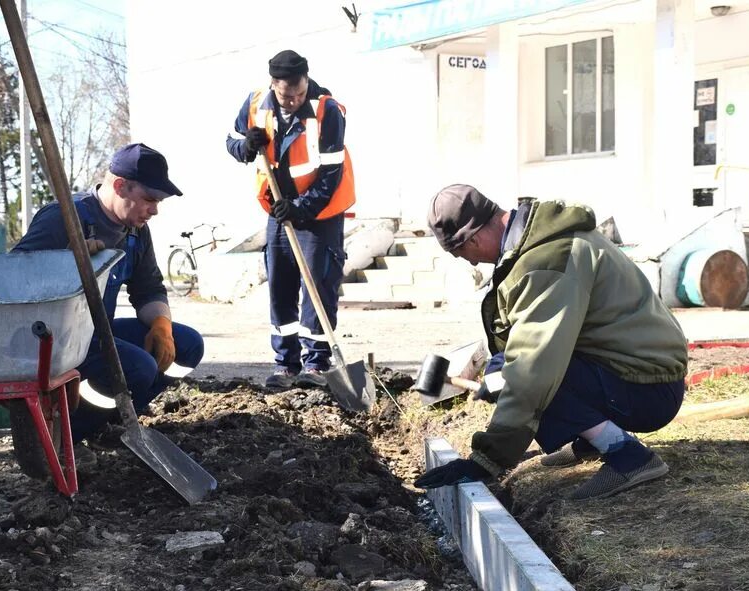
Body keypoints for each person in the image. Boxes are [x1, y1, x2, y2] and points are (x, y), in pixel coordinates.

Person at [414, 185, 688, 499]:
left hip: (648, 388)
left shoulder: (546, 261)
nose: (473, 264)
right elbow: (525, 334)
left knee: (533, 377)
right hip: (638, 370)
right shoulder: (539, 243)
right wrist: (497, 370)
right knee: (517, 371)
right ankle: (592, 437)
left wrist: (487, 459)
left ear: (473, 238)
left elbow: (533, 370)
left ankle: (628, 457)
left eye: (463, 254)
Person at [11, 143, 204, 444]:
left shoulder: (136, 231)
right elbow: (13, 277)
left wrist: (161, 326)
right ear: (120, 186)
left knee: (188, 345)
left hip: (95, 333)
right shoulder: (63, 218)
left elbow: (148, 287)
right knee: (139, 368)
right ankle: (65, 435)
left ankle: (114, 422)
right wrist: (65, 263)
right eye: (149, 200)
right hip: (53, 341)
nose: (154, 210)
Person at [226, 49, 356, 389]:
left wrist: (301, 207)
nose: (293, 101)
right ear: (273, 85)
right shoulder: (256, 104)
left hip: (321, 212)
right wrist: (247, 146)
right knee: (280, 283)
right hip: (278, 208)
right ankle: (285, 363)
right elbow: (232, 141)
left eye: (299, 93)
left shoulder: (327, 111)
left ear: (306, 82)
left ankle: (317, 362)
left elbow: (330, 174)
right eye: (286, 95)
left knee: (317, 284)